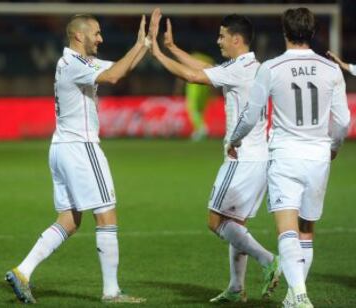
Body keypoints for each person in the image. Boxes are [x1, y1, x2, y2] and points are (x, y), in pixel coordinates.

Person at [5, 9, 161, 304]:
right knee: (106, 213)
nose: (101, 38)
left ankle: (22, 272)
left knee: (69, 219)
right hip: (81, 147)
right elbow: (115, 76)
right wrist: (141, 45)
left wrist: (144, 44)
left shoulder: (75, 61)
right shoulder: (76, 64)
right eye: (97, 33)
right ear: (79, 35)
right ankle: (112, 291)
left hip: (61, 148)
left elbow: (120, 68)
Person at [150, 13, 281, 303]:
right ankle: (236, 288)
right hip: (260, 157)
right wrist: (173, 48)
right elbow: (209, 69)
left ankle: (269, 259)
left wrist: (157, 52)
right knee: (237, 223)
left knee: (216, 221)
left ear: (236, 39)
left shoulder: (237, 70)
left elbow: (193, 76)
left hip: (240, 157)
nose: (218, 40)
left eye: (222, 36)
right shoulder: (254, 67)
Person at [228, 7, 350, 308]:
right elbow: (344, 121)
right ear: (313, 32)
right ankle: (295, 295)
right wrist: (333, 147)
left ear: (285, 32)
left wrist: (235, 138)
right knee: (306, 230)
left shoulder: (271, 68)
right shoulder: (331, 69)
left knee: (287, 228)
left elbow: (252, 113)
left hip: (286, 155)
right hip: (318, 155)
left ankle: (299, 294)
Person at [185, 52, 214, 140]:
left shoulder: (190, 58)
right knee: (200, 110)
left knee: (193, 109)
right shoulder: (209, 60)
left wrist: (177, 89)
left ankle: (202, 128)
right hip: (206, 87)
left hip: (194, 86)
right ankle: (198, 130)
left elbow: (184, 72)